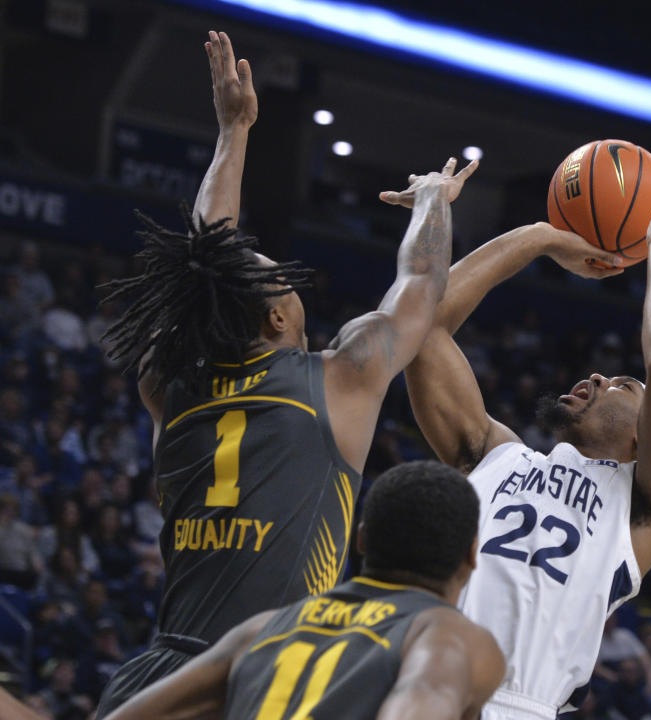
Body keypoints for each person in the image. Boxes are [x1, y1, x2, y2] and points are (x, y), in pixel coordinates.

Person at [95, 30, 476, 716]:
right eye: (279, 281)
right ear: (276, 319)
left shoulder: (169, 386)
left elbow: (203, 264)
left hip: (157, 675)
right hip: (259, 685)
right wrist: (431, 200)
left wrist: (233, 132)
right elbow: (422, 281)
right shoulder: (341, 378)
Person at [404, 171, 651, 718]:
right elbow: (423, 326)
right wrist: (540, 238)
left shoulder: (646, 511)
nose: (598, 376)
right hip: (422, 691)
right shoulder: (497, 454)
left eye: (623, 385)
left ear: (647, 435)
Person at [97, 461, 504, 720]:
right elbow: (422, 701)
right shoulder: (449, 635)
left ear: (360, 539)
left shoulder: (261, 629)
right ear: (472, 554)